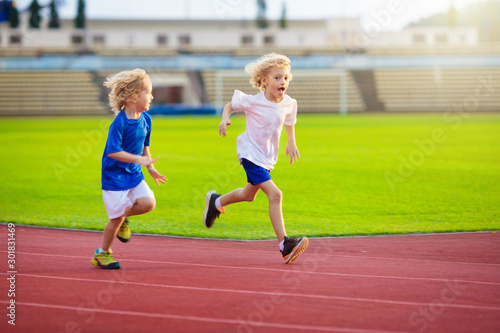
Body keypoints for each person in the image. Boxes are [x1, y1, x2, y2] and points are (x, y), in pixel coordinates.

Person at [203, 53, 308, 264]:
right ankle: (284, 244)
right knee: (275, 194)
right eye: (277, 78)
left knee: (248, 195)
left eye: (286, 78)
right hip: (250, 153)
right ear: (264, 80)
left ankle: (216, 201)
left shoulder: (288, 103)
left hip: (266, 157)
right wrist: (225, 119)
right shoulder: (253, 101)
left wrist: (291, 141)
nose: (283, 82)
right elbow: (229, 106)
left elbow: (290, 120)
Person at [92, 68, 167, 269]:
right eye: (148, 93)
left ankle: (124, 216)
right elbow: (113, 152)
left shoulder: (146, 119)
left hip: (134, 173)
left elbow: (145, 147)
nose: (151, 97)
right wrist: (137, 160)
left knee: (148, 203)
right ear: (133, 97)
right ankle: (102, 253)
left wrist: (150, 168)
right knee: (114, 220)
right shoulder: (119, 124)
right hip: (114, 177)